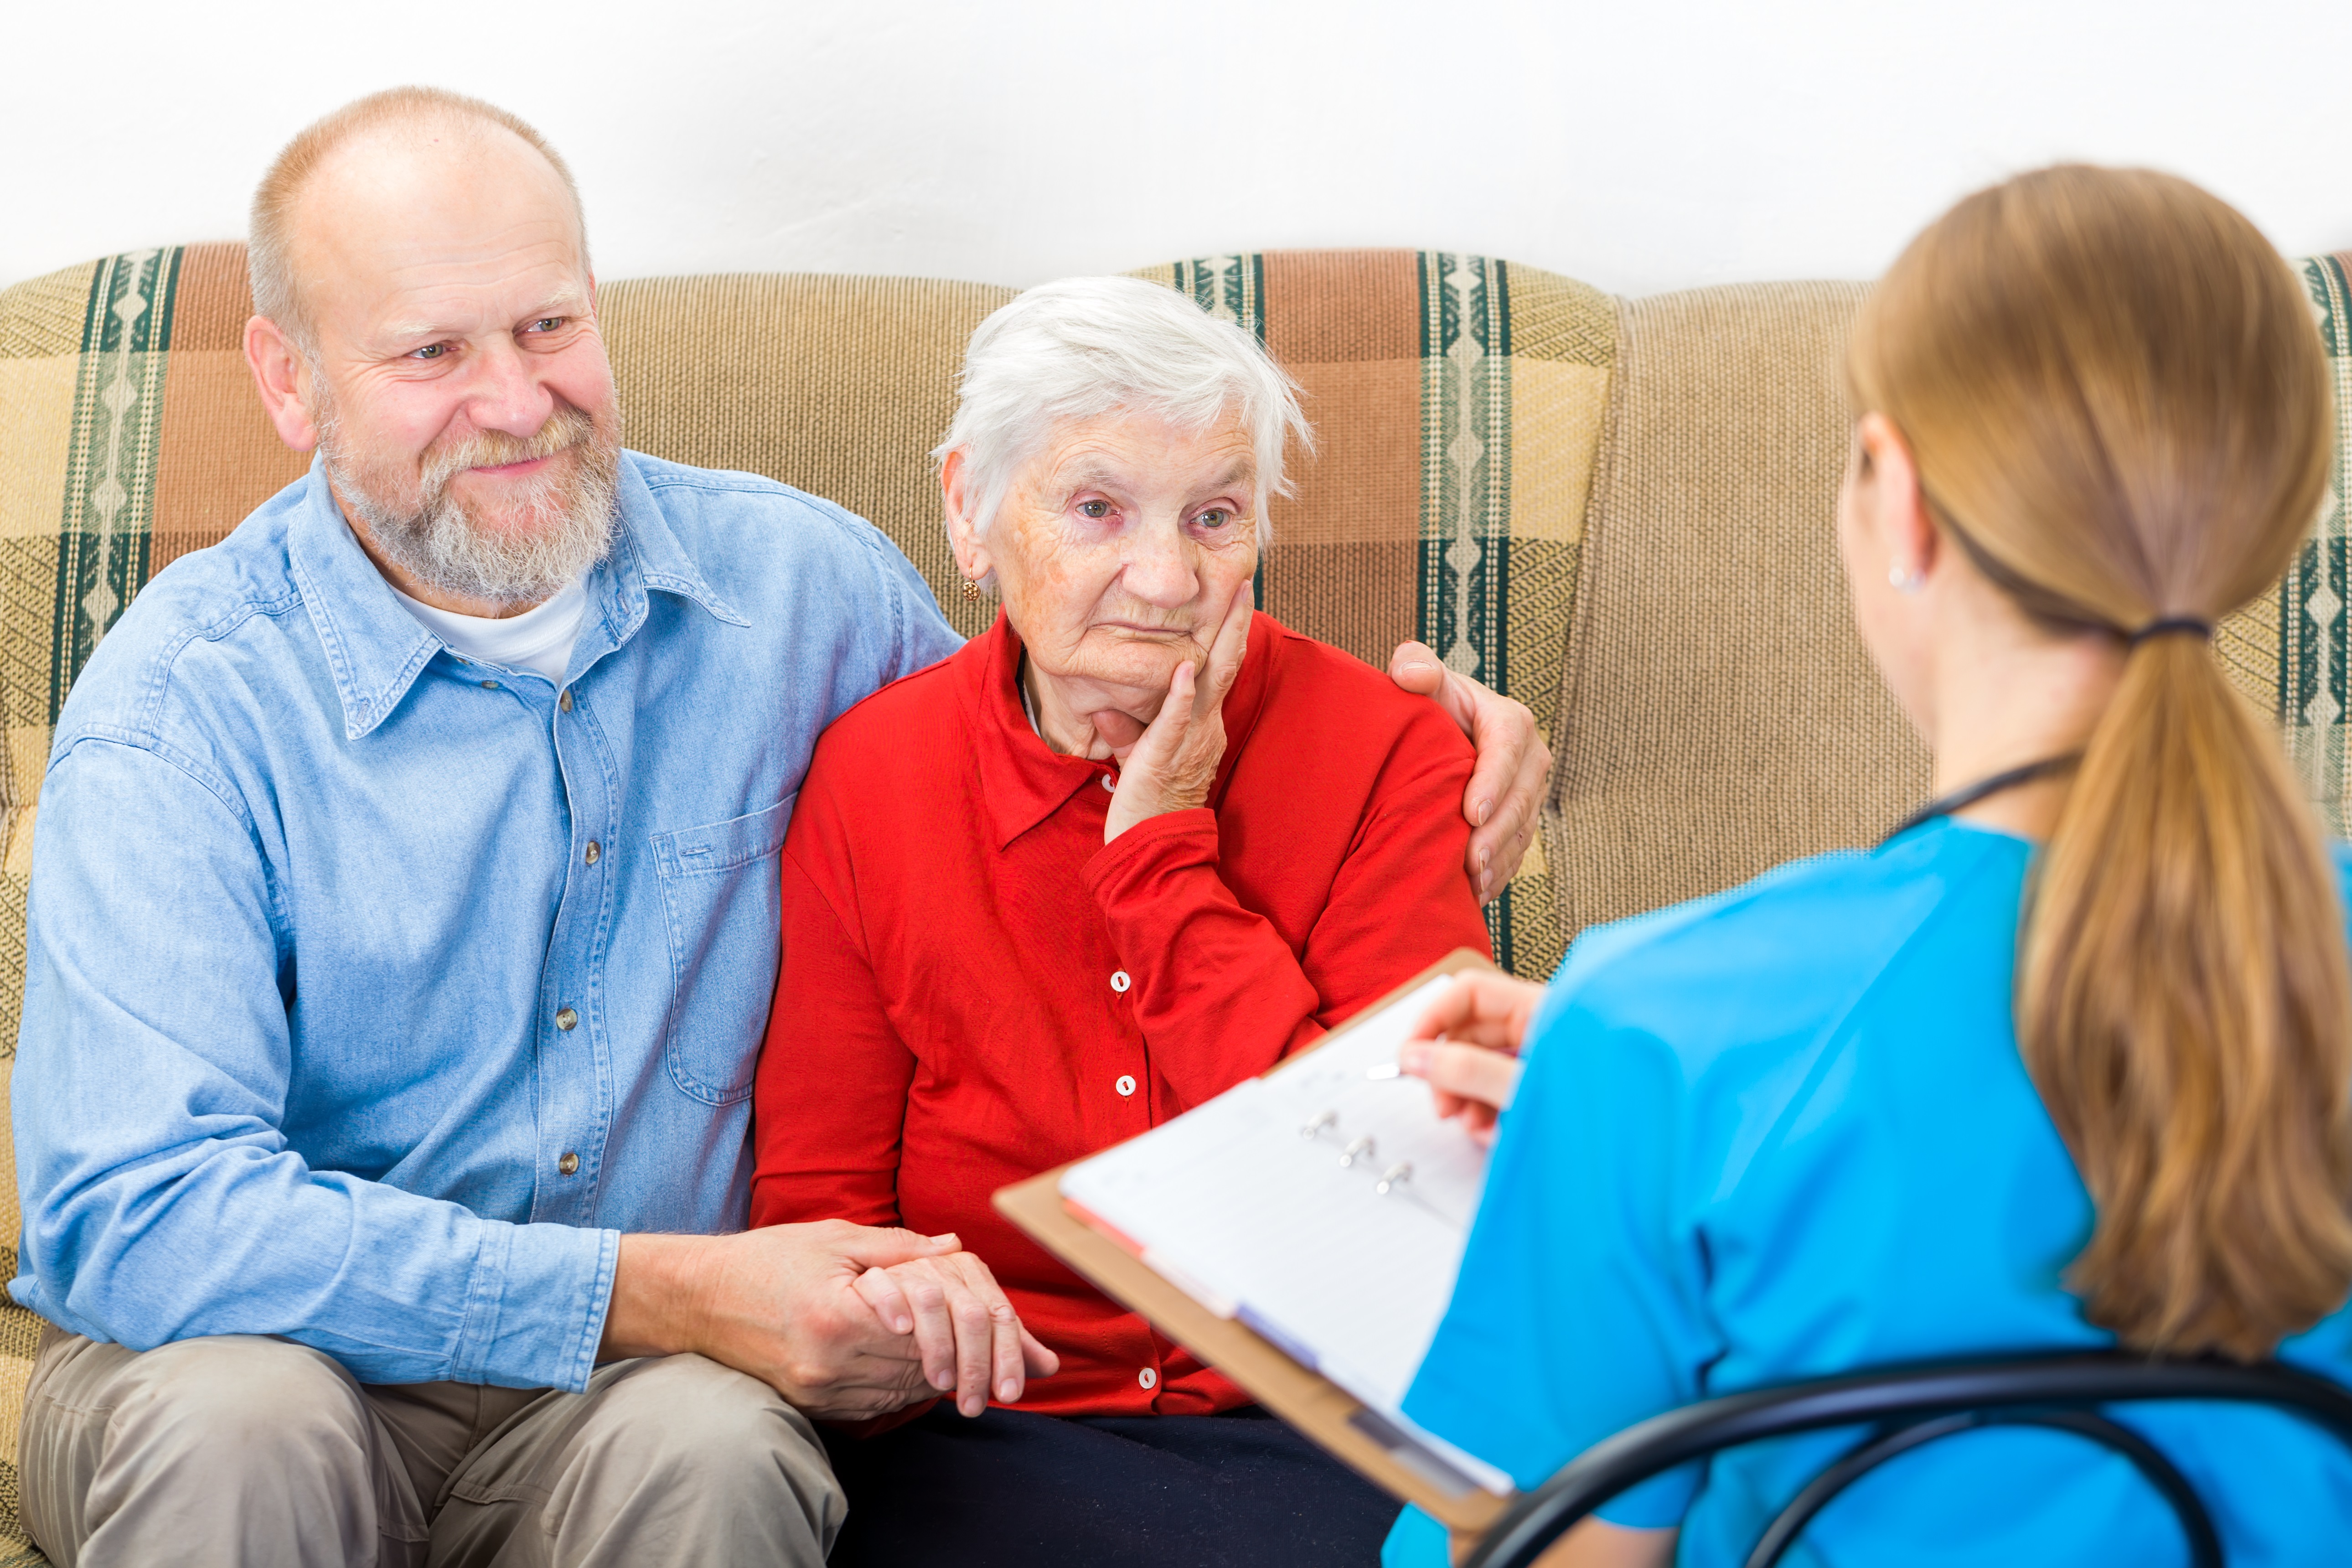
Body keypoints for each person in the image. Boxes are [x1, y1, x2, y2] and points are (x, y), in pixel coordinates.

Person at [8, 89, 1552, 1568]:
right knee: (247, 1425)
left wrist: (1429, 736)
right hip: (273, 1356)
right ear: (291, 383)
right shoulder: (184, 704)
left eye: (550, 326)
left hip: (643, 1403)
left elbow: (1033, 730)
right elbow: (137, 1216)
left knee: (717, 1449)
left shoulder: (806, 598)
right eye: (430, 352)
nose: (516, 400)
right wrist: (661, 1290)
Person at [1383, 165, 2352, 1568]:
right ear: (2272, 519)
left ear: (1898, 503)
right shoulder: (1654, 1038)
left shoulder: (1665, 1020)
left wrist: (1635, 1117)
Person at [748, 276, 1494, 1565]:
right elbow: (819, 1208)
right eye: (1098, 510)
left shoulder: (1387, 756)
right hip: (980, 1427)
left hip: (1318, 1422)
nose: (1165, 577)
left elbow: (1389, 1203)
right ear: (970, 509)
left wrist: (1160, 858)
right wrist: (899, 1303)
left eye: (1215, 516)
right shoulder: (874, 778)